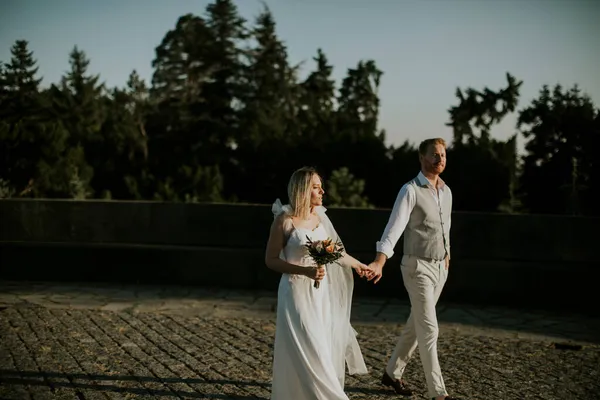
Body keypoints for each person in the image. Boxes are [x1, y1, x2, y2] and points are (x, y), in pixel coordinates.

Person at [364, 138, 461, 400]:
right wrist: (380, 260)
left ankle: (392, 372)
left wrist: (447, 254)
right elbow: (393, 228)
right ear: (421, 158)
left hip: (440, 267)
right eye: (434, 155)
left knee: (416, 324)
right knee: (430, 328)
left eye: (443, 155)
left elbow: (446, 227)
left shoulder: (447, 191)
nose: (440, 159)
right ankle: (438, 393)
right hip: (416, 267)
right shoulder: (410, 190)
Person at [265, 166, 369, 400]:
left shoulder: (319, 217)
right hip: (295, 293)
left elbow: (335, 252)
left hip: (319, 296)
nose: (322, 191)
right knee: (309, 347)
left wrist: (359, 265)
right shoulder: (285, 220)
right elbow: (270, 260)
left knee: (321, 345)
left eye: (321, 186)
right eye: (316, 187)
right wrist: (305, 271)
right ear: (302, 189)